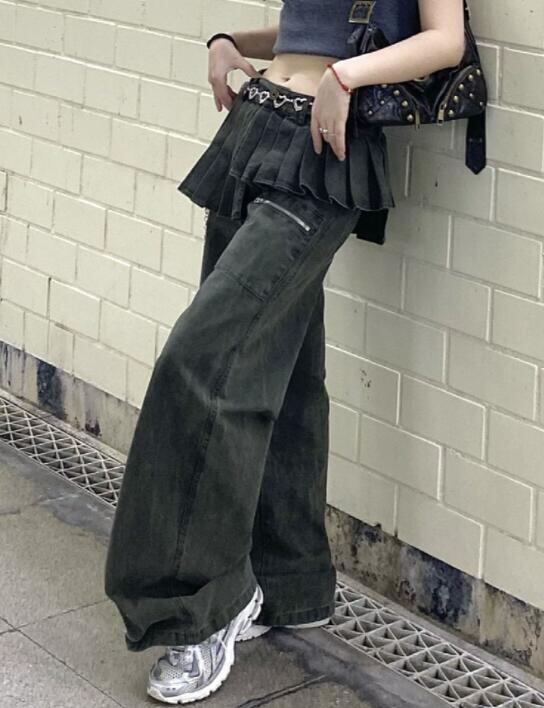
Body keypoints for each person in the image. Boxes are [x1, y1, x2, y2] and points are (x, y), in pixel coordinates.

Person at [103, 0, 466, 703]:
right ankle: (287, 578)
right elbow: (308, 30)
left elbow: (444, 41)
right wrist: (228, 39)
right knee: (286, 368)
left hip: (325, 148)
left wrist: (348, 76)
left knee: (203, 363)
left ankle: (196, 608)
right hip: (257, 126)